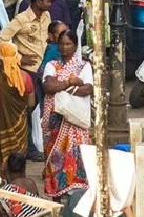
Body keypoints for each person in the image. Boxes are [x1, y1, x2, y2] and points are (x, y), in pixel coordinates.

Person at [42, 29, 92, 197]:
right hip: (55, 120)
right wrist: (71, 83)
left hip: (75, 120)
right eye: (61, 44)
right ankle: (56, 195)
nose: (64, 47)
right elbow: (48, 87)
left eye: (68, 44)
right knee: (55, 159)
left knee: (75, 157)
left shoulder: (84, 66)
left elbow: (87, 89)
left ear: (75, 46)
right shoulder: (51, 65)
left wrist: (62, 86)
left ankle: (75, 196)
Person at [0, 43, 36, 176]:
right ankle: (18, 188)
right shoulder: (26, 77)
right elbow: (31, 103)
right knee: (18, 159)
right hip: (20, 126)